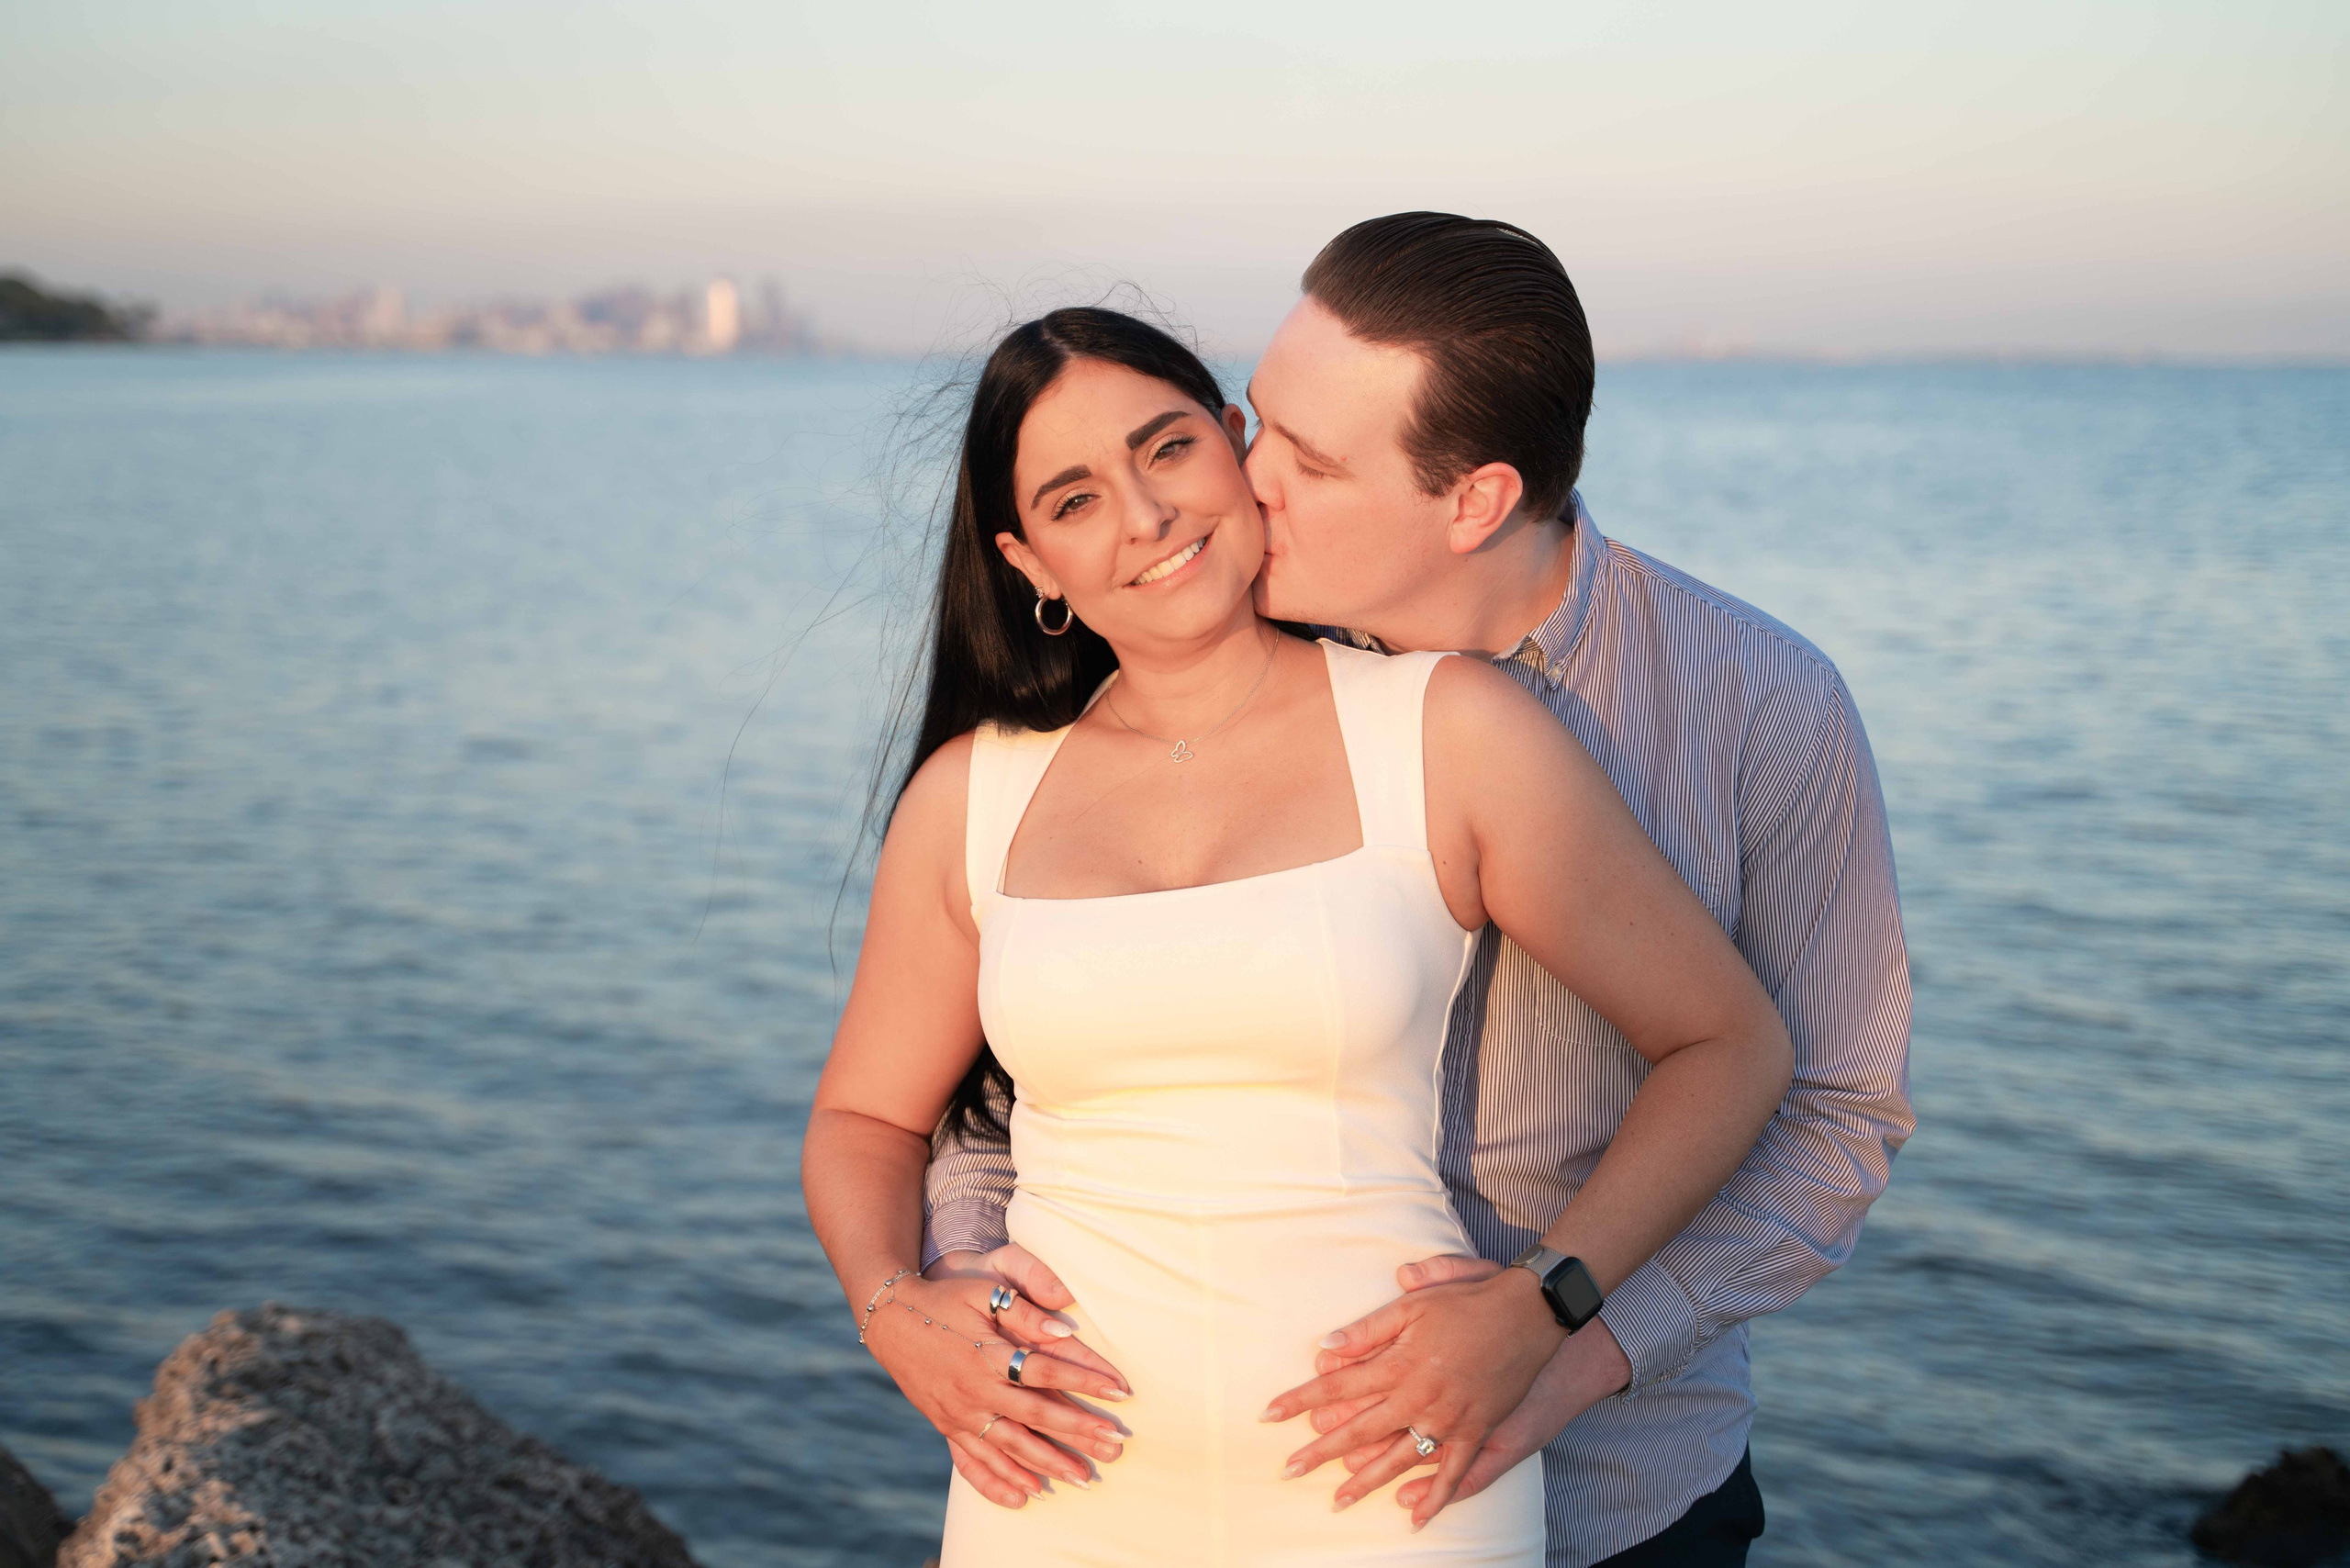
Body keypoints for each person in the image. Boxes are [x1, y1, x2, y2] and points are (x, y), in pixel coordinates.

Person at [920, 215, 1916, 1567]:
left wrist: (1554, 1337)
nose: (1237, 480)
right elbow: (1039, 1062)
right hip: (1184, 1481)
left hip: (1626, 1494)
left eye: (1308, 462)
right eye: (1256, 423)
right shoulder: (1201, 666)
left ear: (1474, 502)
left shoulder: (1766, 711)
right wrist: (969, 1295)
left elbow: (1833, 1122)